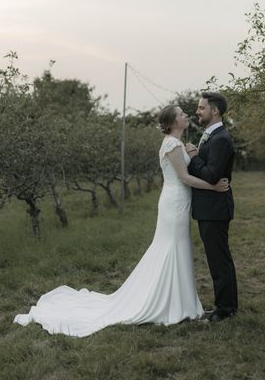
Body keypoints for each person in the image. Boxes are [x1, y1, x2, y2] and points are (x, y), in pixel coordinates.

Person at [13, 105, 229, 337]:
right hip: (175, 202)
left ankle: (180, 301)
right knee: (172, 248)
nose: (186, 115)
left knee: (176, 247)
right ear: (172, 122)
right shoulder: (172, 145)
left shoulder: (177, 143)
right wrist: (214, 187)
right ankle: (171, 303)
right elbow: (185, 178)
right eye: (181, 114)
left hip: (177, 201)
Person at [185, 92, 238, 322]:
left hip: (215, 208)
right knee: (218, 258)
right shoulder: (211, 136)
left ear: (214, 111)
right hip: (210, 207)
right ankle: (227, 306)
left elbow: (211, 175)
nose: (198, 111)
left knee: (219, 260)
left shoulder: (221, 139)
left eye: (201, 108)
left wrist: (194, 156)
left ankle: (224, 309)